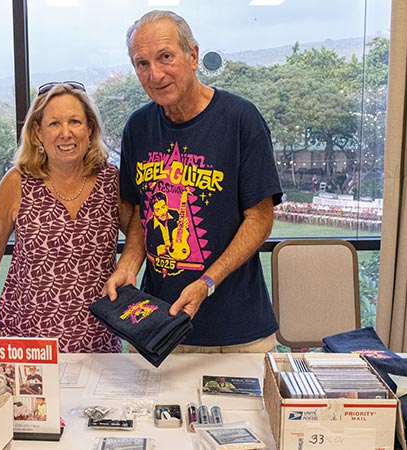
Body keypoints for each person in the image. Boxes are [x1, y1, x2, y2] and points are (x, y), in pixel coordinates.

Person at [104, 10, 284, 353]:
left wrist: (207, 282)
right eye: (142, 64)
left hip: (239, 333)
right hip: (160, 326)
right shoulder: (138, 128)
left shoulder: (240, 119)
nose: (155, 74)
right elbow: (142, 214)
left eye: (165, 57)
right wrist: (127, 265)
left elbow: (260, 219)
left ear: (193, 55)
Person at [0, 81, 132, 353]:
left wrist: (126, 268)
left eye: (75, 121)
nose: (66, 133)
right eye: (54, 124)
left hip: (97, 343)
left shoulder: (112, 182)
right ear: (37, 132)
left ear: (90, 128)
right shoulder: (15, 183)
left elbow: (140, 234)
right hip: (24, 340)